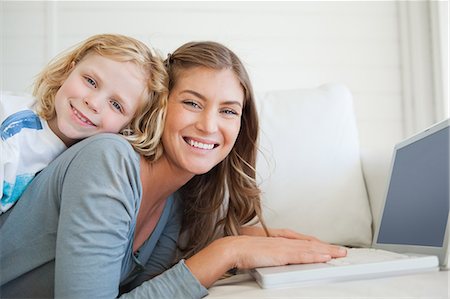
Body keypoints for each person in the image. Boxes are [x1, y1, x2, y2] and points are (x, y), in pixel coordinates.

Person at [0, 41, 346, 298]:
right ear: (158, 109)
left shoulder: (171, 205)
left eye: (228, 111)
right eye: (192, 103)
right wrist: (226, 253)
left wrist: (235, 240)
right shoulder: (107, 159)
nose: (210, 126)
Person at [0, 33, 166, 214]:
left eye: (116, 105)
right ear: (68, 71)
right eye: (90, 81)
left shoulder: (93, 165)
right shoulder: (11, 131)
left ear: (130, 126)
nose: (93, 103)